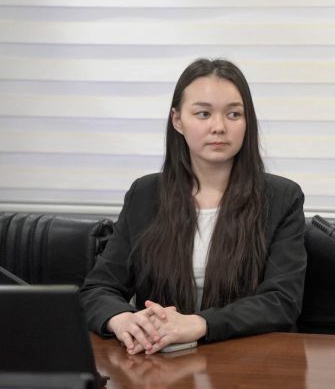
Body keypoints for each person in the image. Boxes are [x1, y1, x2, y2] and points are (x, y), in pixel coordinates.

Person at [80, 58, 306, 355]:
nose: (219, 127)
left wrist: (200, 324)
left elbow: (282, 301)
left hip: (245, 360)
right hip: (159, 361)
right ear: (177, 121)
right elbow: (99, 288)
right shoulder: (145, 195)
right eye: (203, 114)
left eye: (234, 114)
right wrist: (122, 319)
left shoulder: (281, 198)